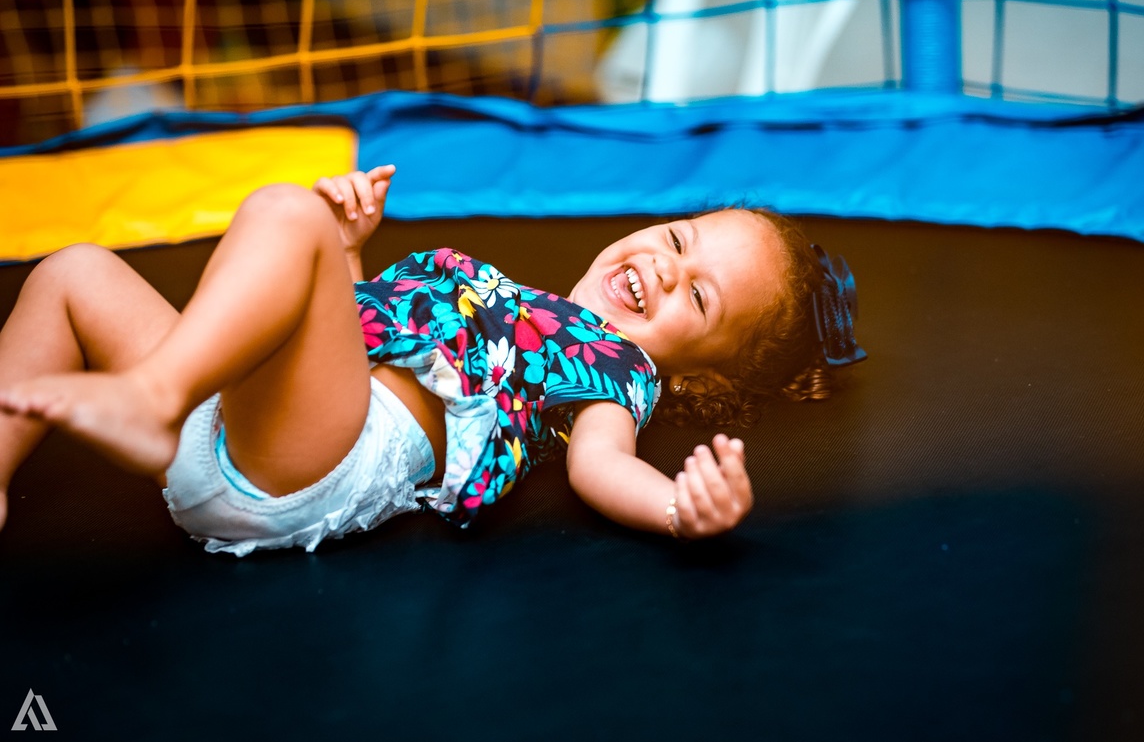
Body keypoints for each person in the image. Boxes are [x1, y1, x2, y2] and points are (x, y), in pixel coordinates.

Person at [0, 165, 864, 555]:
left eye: (698, 299)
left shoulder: (617, 372)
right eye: (679, 238)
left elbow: (604, 467)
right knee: (72, 273)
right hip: (248, 419)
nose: (667, 268)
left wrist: (679, 506)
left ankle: (151, 393)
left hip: (316, 467)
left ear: (697, 375)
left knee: (283, 214)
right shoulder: (522, 309)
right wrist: (347, 255)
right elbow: (355, 340)